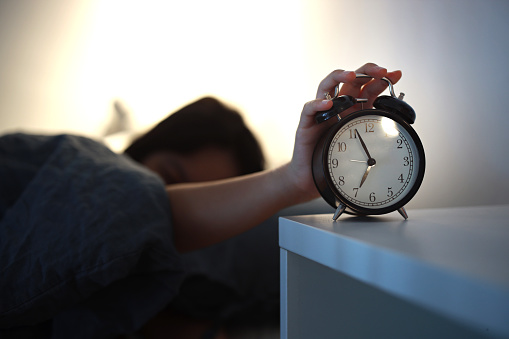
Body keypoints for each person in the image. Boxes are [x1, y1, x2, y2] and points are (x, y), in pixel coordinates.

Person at [0, 63, 402, 338]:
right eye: (172, 178)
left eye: (218, 199)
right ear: (145, 145)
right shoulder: (71, 164)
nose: (191, 202)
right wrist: (290, 182)